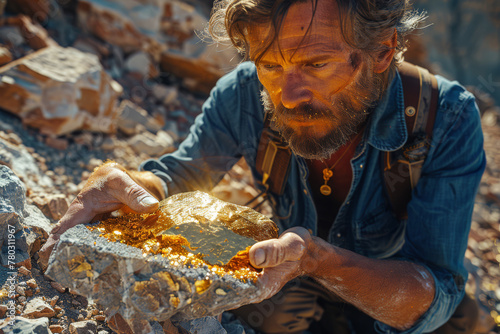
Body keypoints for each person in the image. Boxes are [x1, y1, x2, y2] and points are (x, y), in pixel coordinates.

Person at [40, 0, 486, 332]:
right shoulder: (243, 94)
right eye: (270, 64)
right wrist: (127, 184)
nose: (288, 95)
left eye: (315, 64)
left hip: (390, 287)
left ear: (383, 52)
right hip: (287, 275)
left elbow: (436, 285)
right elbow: (177, 177)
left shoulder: (443, 116)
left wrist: (319, 259)